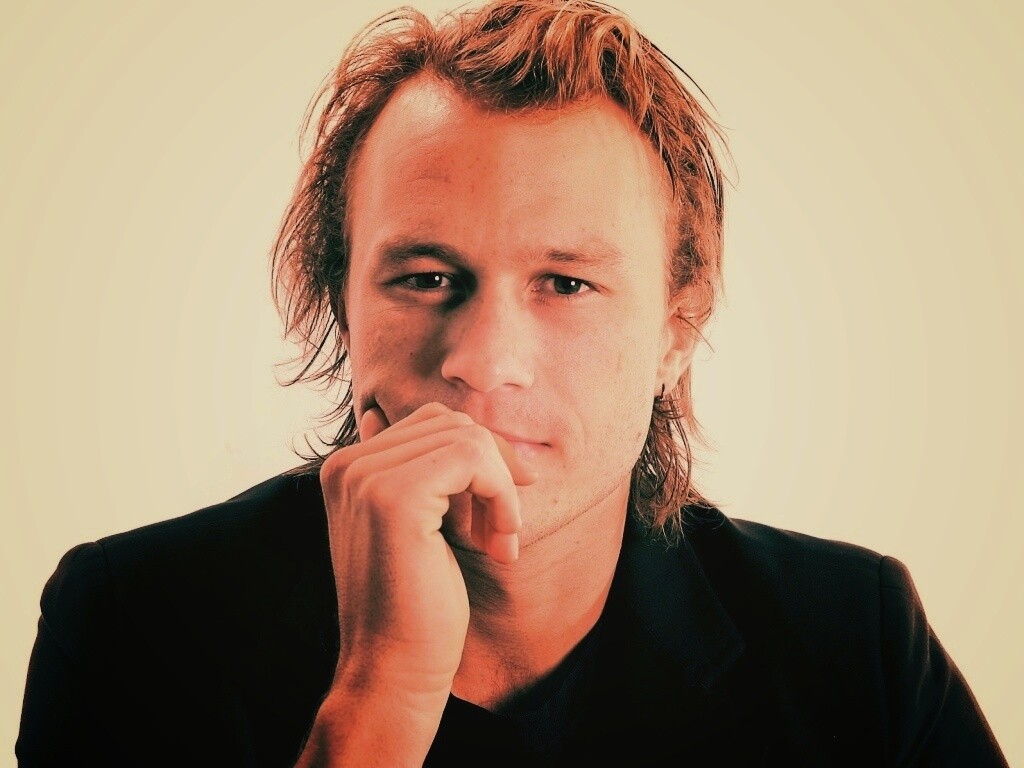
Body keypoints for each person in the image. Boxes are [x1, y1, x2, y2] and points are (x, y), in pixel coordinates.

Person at [15, 1, 1009, 766]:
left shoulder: (853, 638)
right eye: (426, 278)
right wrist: (382, 691)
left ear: (676, 331)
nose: (485, 360)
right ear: (342, 303)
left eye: (567, 284)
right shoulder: (132, 624)